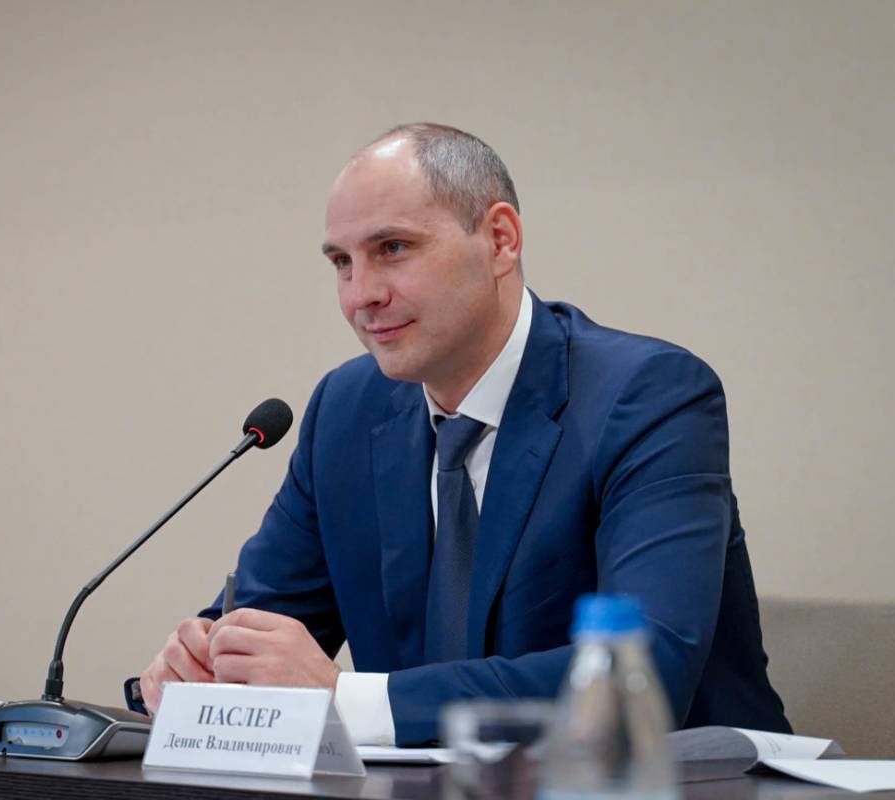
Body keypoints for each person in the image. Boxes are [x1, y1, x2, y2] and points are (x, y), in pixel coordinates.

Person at [137, 123, 790, 746]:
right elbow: (266, 633)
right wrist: (199, 666)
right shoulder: (346, 412)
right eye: (341, 262)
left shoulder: (647, 395)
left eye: (393, 249)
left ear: (501, 239)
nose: (361, 295)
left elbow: (640, 675)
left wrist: (344, 698)